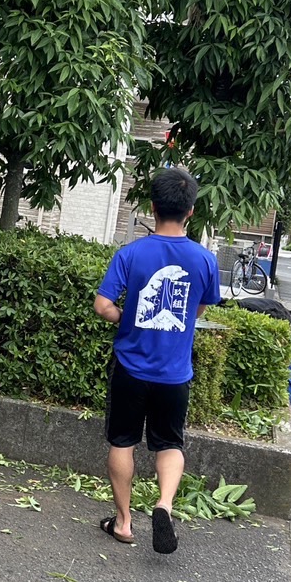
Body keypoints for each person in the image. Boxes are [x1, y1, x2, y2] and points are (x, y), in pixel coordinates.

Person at [93, 167, 221, 555]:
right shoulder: (204, 260)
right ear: (191, 211)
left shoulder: (130, 253)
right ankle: (164, 505)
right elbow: (198, 311)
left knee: (123, 441)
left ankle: (125, 523)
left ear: (152, 206)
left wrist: (124, 317)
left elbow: (102, 305)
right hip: (174, 374)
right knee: (169, 444)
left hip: (130, 368)